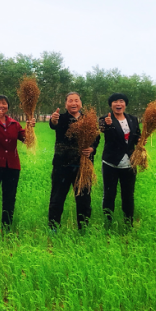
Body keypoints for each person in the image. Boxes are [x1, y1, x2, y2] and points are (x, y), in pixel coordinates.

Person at [0, 95, 35, 229]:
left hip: (12, 166)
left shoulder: (14, 124)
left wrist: (30, 128)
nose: (1, 105)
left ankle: (7, 227)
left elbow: (27, 140)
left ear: (8, 107)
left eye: (4, 103)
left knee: (9, 198)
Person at [48, 92, 100, 230]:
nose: (73, 103)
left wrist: (92, 148)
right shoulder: (61, 118)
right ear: (66, 104)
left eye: (76, 100)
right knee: (57, 198)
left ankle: (83, 228)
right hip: (62, 166)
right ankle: (53, 228)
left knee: (84, 200)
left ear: (80, 103)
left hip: (83, 166)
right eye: (70, 100)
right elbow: (54, 125)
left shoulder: (88, 119)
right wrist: (53, 120)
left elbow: (96, 137)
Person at [98, 93, 141, 226]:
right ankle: (108, 222)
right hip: (111, 163)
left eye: (121, 101)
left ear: (125, 104)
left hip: (130, 163)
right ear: (111, 105)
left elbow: (137, 136)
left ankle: (128, 222)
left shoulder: (133, 119)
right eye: (115, 102)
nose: (118, 104)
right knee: (109, 195)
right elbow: (102, 130)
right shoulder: (105, 118)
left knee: (128, 195)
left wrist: (141, 141)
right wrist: (108, 125)